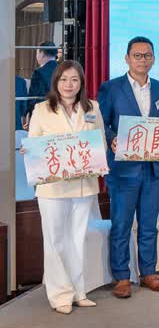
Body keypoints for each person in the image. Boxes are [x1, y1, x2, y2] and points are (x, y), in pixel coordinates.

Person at [26, 61, 104, 313]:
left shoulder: (92, 107)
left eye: (74, 80)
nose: (69, 85)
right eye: (64, 79)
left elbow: (100, 141)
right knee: (56, 239)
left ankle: (79, 291)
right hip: (53, 187)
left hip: (83, 185)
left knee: (78, 239)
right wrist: (32, 153)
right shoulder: (42, 109)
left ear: (81, 83)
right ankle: (60, 295)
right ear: (56, 82)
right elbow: (33, 146)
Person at [98, 36, 159, 298]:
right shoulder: (111, 88)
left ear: (153, 59)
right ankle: (122, 276)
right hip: (123, 170)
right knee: (121, 225)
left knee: (149, 224)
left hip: (153, 169)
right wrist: (111, 138)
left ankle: (148, 272)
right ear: (127, 58)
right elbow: (101, 123)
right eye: (137, 55)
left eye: (147, 55)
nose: (142, 60)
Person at [27, 41, 59, 117]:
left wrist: (28, 113)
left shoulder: (39, 73)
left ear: (42, 54)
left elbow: (33, 98)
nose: (36, 56)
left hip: (43, 113)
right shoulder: (62, 69)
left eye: (37, 53)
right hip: (60, 112)